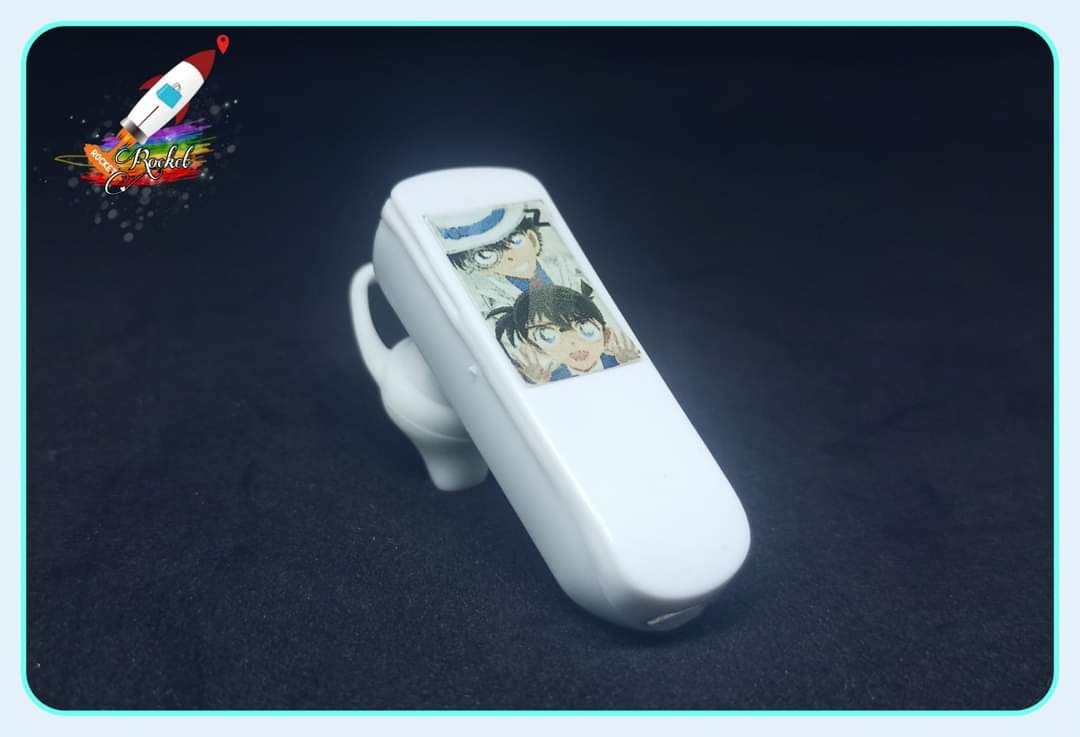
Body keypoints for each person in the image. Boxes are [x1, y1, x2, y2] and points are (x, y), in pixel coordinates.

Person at [488, 283, 640, 384]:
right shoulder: (552, 378)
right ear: (538, 348)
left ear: (606, 334)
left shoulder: (623, 361)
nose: (572, 343)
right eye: (547, 336)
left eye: (586, 329)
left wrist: (632, 363)